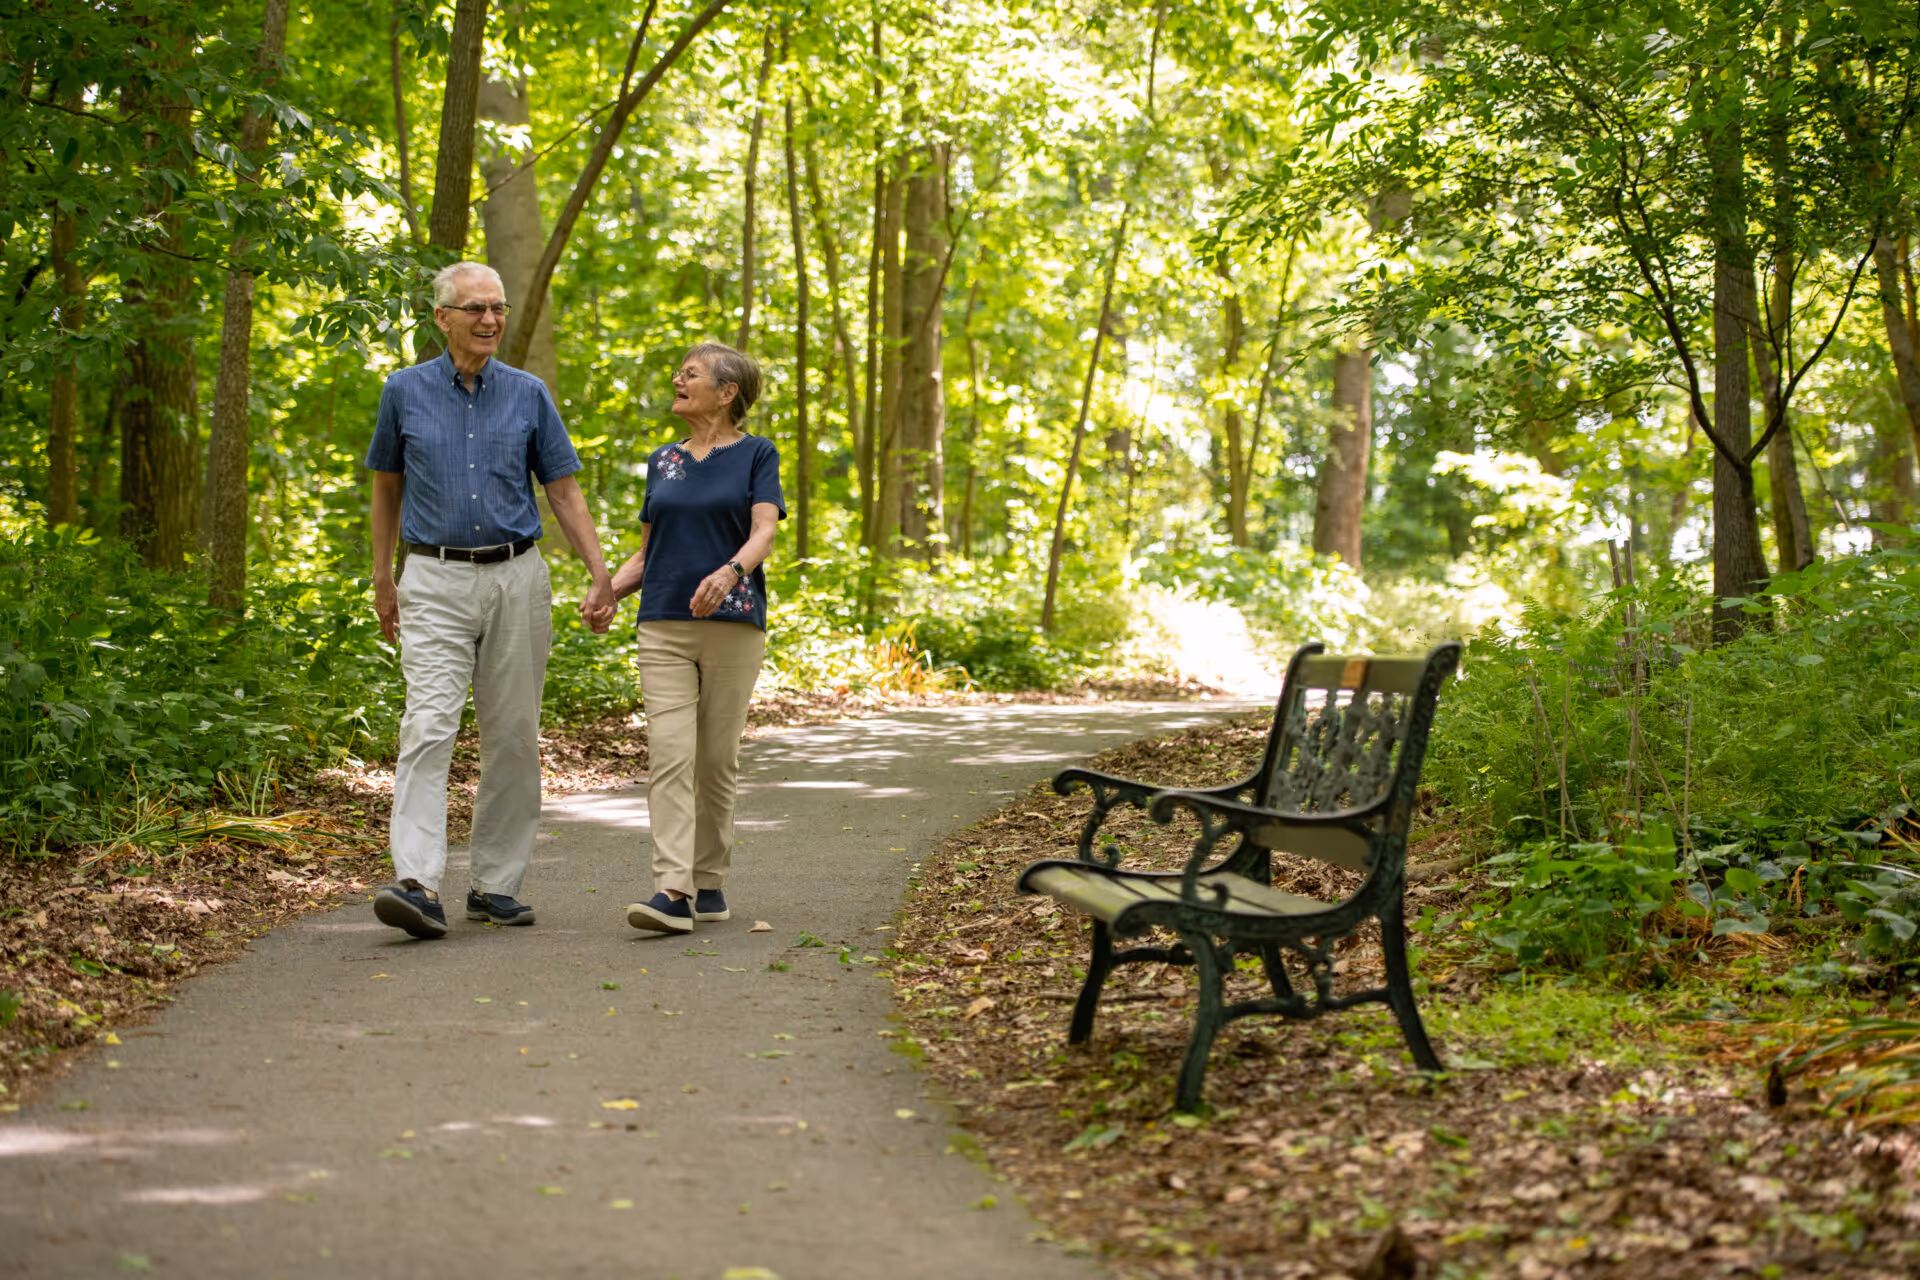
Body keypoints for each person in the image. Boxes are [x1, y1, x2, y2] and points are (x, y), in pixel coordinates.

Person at [366, 261, 616, 939]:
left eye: (498, 309)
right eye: (474, 309)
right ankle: (417, 882)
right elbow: (385, 486)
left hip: (517, 575)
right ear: (441, 317)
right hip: (434, 578)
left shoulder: (529, 394)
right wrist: (383, 577)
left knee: (512, 734)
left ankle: (494, 886)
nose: (489, 321)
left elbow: (562, 490)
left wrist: (599, 574)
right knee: (429, 724)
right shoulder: (404, 392)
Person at [605, 342, 783, 934]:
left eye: (691, 374)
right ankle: (672, 890)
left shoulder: (757, 454)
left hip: (732, 623)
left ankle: (710, 880)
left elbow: (763, 534)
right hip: (662, 622)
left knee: (715, 759)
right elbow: (650, 548)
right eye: (680, 373)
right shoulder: (663, 461)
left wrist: (731, 572)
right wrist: (609, 589)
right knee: (670, 754)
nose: (678, 380)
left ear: (728, 392)